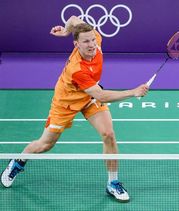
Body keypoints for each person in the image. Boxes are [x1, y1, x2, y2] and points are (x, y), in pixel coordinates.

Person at [1, 16, 149, 202]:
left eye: (93, 39)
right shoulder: (77, 68)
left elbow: (72, 19)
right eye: (86, 41)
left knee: (108, 134)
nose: (91, 44)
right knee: (45, 144)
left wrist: (65, 29)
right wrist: (133, 92)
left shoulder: (96, 41)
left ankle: (113, 182)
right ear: (76, 44)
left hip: (88, 98)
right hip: (66, 103)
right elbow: (101, 96)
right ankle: (18, 161)